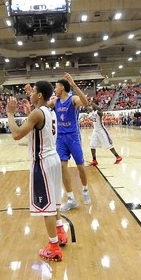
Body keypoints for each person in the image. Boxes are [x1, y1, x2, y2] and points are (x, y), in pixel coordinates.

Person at [6, 81, 67, 261]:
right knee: (54, 203)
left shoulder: (37, 112)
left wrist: (10, 114)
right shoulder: (49, 110)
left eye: (32, 91)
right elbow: (37, 126)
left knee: (46, 208)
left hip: (42, 163)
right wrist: (28, 111)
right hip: (53, 159)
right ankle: (60, 232)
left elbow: (17, 134)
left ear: (39, 95)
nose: (30, 94)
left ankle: (54, 248)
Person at [39, 73, 89, 211]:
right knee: (62, 167)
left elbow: (85, 103)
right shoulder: (55, 101)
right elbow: (41, 106)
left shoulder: (73, 99)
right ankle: (71, 198)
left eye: (56, 87)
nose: (54, 89)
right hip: (61, 138)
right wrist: (32, 93)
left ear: (62, 87)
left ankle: (85, 190)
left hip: (73, 137)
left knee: (80, 167)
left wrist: (73, 84)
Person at [87, 99, 122, 166]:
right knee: (92, 145)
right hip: (95, 131)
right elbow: (87, 107)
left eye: (93, 104)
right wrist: (85, 102)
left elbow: (99, 109)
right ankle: (94, 160)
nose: (91, 105)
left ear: (95, 104)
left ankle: (118, 157)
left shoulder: (99, 112)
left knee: (108, 145)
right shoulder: (92, 112)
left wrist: (92, 102)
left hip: (101, 130)